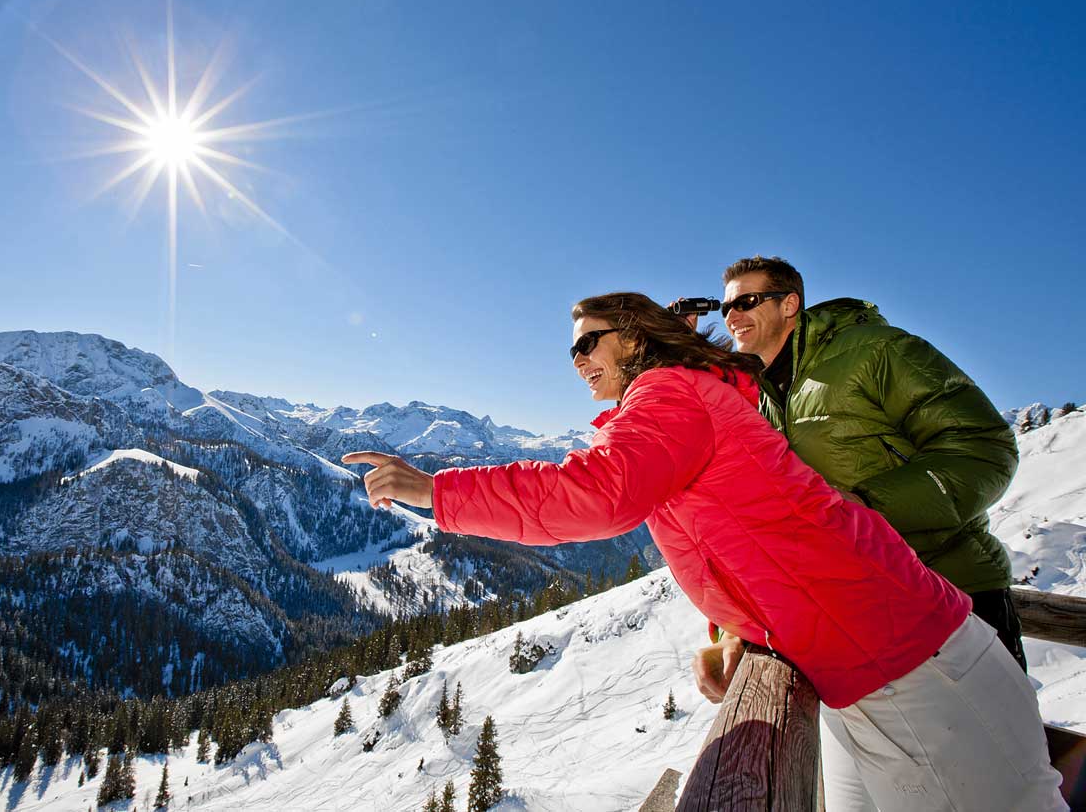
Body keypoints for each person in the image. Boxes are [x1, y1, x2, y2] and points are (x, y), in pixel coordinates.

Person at [343, 292, 1063, 811]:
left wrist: (438, 491)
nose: (575, 360)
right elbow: (747, 534)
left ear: (633, 336)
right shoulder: (686, 400)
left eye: (587, 341)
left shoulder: (668, 396)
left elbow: (598, 494)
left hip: (914, 670)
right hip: (872, 669)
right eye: (569, 349)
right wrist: (736, 630)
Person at [708, 257, 1025, 811]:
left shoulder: (877, 351)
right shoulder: (762, 397)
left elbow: (984, 448)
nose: (732, 315)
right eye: (726, 304)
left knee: (998, 791)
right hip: (857, 626)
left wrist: (865, 511)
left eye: (746, 301)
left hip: (955, 598)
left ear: (790, 304)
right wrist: (739, 624)